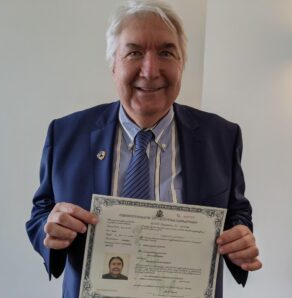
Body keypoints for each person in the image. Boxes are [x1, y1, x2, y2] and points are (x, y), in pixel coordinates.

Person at [26, 1, 262, 297]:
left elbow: (236, 211)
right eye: (135, 52)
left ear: (181, 63)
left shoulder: (222, 136)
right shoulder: (66, 134)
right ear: (113, 64)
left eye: (166, 52)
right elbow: (41, 211)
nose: (150, 71)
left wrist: (241, 237)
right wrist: (49, 228)